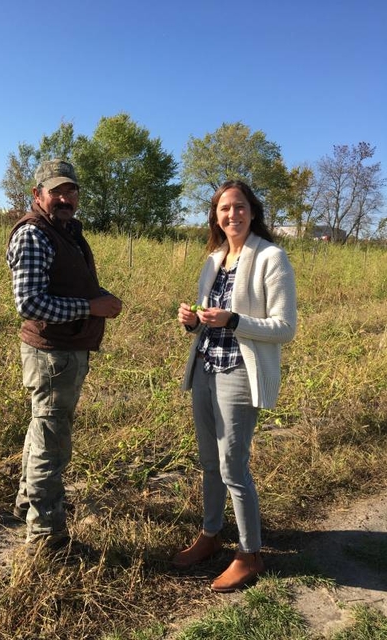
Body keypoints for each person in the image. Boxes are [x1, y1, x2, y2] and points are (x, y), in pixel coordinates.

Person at [173, 180, 296, 592]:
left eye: (239, 207)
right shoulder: (214, 260)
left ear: (252, 211)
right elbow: (209, 318)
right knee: (208, 460)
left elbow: (285, 327)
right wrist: (193, 321)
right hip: (207, 367)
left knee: (232, 467)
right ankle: (210, 535)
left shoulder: (271, 258)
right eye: (224, 208)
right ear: (216, 216)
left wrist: (234, 320)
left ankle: (249, 553)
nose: (232, 215)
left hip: (240, 374)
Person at [6, 159, 122, 551]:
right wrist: (91, 307)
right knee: (51, 441)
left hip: (64, 350)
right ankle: (46, 537)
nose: (65, 197)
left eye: (71, 191)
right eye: (56, 191)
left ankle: (28, 501)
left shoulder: (64, 230)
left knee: (44, 428)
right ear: (37, 195)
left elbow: (66, 281)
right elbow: (30, 303)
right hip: (53, 353)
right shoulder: (34, 235)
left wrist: (97, 296)